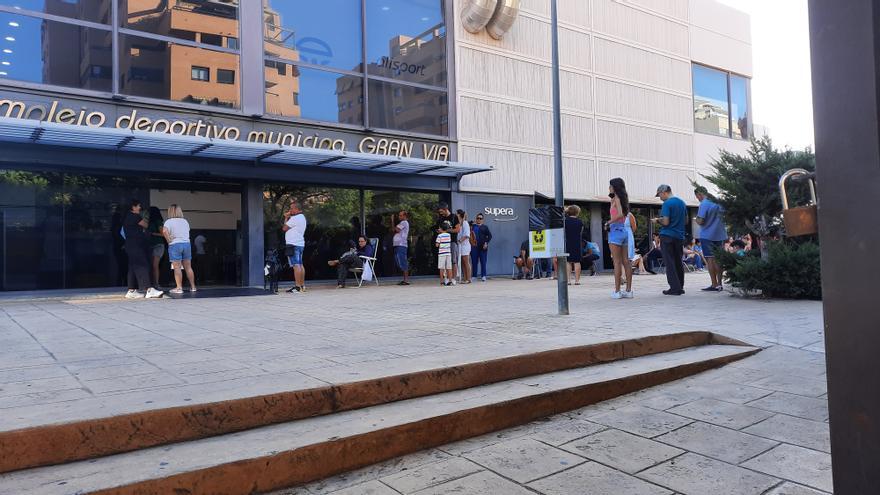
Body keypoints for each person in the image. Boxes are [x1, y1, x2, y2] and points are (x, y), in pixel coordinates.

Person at [123, 200, 163, 299]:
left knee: (132, 267)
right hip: (137, 245)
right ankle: (149, 289)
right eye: (138, 206)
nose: (140, 208)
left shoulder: (126, 217)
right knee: (143, 265)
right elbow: (146, 225)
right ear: (133, 207)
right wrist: (145, 216)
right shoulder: (135, 216)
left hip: (129, 245)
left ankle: (131, 290)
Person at [653, 184, 688, 295]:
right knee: (678, 261)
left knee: (670, 262)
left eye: (659, 195)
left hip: (667, 235)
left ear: (664, 192)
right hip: (679, 236)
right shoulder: (682, 202)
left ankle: (674, 288)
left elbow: (666, 221)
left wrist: (657, 220)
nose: (660, 198)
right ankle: (680, 286)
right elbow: (686, 221)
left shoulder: (667, 203)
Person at [605, 178, 634, 299]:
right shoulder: (623, 199)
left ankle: (617, 291)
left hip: (616, 231)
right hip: (625, 231)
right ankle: (628, 290)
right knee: (626, 262)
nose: (609, 188)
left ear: (614, 187)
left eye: (610, 186)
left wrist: (608, 222)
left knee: (616, 262)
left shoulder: (616, 199)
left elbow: (621, 214)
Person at [695, 186, 728, 291]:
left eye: (697, 197)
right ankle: (720, 283)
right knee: (719, 259)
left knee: (710, 259)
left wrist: (696, 219)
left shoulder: (704, 204)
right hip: (721, 234)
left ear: (700, 194)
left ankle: (714, 284)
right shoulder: (719, 203)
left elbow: (701, 221)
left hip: (707, 235)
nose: (698, 199)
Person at [162, 204, 197, 294]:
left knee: (177, 268)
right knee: (188, 267)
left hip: (175, 245)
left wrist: (169, 240)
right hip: (186, 244)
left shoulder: (168, 221)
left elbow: (164, 231)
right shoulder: (185, 221)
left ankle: (179, 288)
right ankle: (193, 287)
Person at [554, 205, 584, 285]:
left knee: (568, 261)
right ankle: (577, 281)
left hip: (567, 242)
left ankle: (568, 281)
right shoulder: (580, 221)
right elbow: (580, 233)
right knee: (577, 262)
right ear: (577, 212)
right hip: (577, 243)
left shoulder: (565, 221)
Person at [282, 201, 307, 293]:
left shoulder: (295, 218)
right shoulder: (302, 217)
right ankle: (302, 285)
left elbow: (284, 228)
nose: (290, 210)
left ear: (297, 209)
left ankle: (297, 287)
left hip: (293, 244)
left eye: (291, 208)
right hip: (300, 244)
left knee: (296, 266)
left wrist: (286, 217)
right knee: (300, 265)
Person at [435, 203, 460, 278]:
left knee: (453, 261)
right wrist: (439, 231)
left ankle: (453, 279)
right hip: (443, 243)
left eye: (441, 211)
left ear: (446, 209)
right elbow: (441, 229)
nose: (440, 213)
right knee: (445, 261)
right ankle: (447, 278)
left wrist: (445, 231)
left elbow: (457, 230)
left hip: (452, 241)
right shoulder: (441, 218)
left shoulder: (454, 217)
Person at [147, 206, 165, 289]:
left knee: (155, 265)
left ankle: (156, 283)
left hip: (158, 244)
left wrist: (153, 234)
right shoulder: (149, 222)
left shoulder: (158, 222)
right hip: (151, 244)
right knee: (153, 265)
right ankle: (153, 283)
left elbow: (163, 234)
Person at [471, 212, 492, 282]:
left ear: (482, 220)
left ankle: (483, 276)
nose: (479, 219)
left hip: (483, 248)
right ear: (476, 219)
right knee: (474, 262)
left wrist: (486, 243)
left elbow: (490, 236)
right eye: (478, 218)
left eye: (480, 218)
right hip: (474, 247)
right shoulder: (472, 226)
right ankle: (474, 276)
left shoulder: (485, 227)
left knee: (483, 262)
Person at [392, 210, 410, 286]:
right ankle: (405, 279)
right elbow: (394, 230)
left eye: (401, 215)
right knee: (399, 261)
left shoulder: (404, 222)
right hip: (398, 245)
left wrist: (392, 220)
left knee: (402, 261)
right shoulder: (401, 223)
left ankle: (406, 280)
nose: (399, 217)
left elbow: (396, 230)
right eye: (399, 215)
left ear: (405, 216)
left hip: (401, 245)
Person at [436, 221, 455, 286]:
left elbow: (437, 245)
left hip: (442, 253)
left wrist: (438, 237)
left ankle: (442, 281)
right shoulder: (449, 235)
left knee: (441, 268)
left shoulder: (439, 236)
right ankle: (450, 281)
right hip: (448, 253)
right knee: (449, 267)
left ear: (441, 228)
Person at [457, 209, 473, 284]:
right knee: (462, 262)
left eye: (457, 214)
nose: (456, 215)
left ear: (459, 215)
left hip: (465, 245)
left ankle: (469, 278)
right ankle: (465, 278)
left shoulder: (465, 223)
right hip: (460, 246)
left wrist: (460, 240)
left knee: (466, 262)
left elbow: (467, 235)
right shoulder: (459, 223)